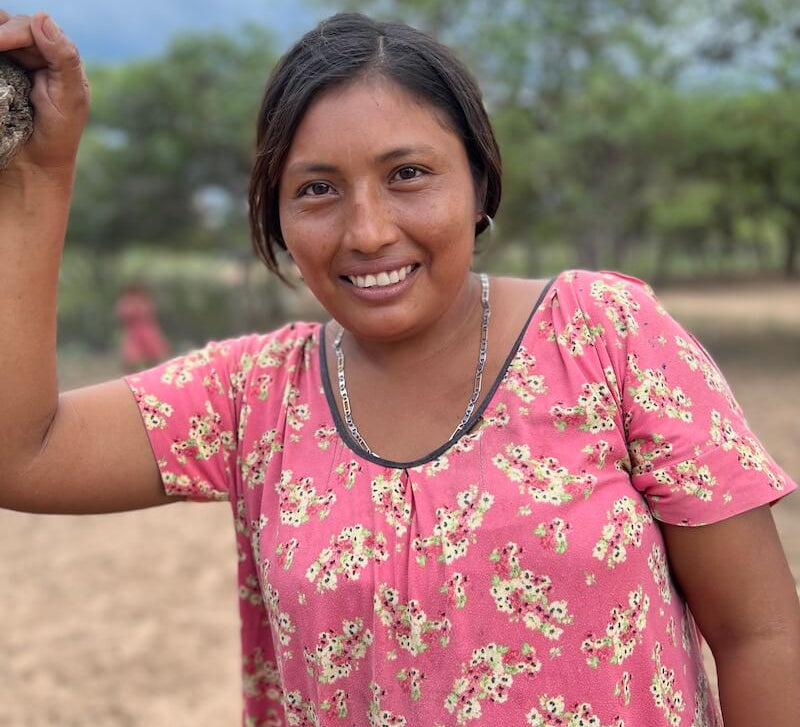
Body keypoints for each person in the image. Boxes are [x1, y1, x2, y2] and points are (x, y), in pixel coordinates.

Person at [0, 9, 798, 727]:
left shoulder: (605, 335)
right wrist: (42, 172)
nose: (368, 230)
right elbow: (22, 452)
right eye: (317, 190)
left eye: (407, 174)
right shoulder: (254, 396)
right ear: (276, 217)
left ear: (480, 180)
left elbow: (758, 632)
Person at [114, 280, 170, 371]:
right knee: (132, 359)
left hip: (147, 330)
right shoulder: (127, 301)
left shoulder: (144, 300)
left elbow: (151, 312)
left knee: (154, 357)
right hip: (134, 331)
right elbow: (122, 315)